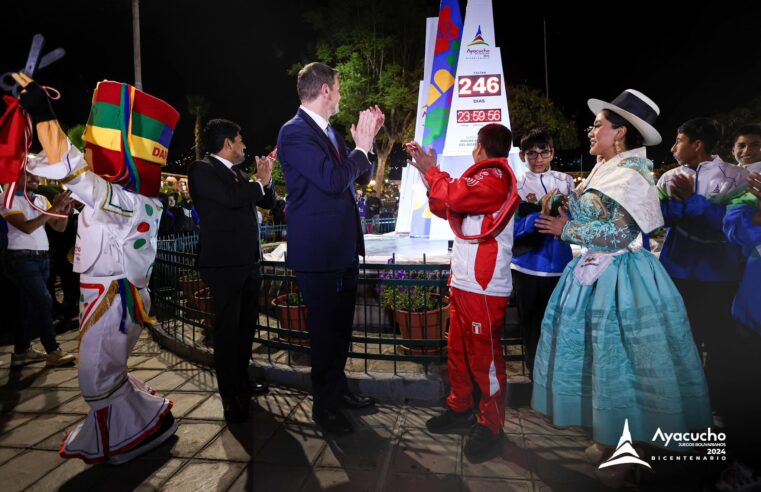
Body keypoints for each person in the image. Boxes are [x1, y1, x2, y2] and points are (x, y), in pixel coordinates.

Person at [530, 89, 711, 484]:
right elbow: (594, 212)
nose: (590, 130)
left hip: (622, 280)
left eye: (598, 125)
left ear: (621, 133)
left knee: (623, 367)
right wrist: (563, 203)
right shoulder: (605, 168)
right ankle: (609, 439)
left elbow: (619, 232)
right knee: (601, 365)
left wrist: (567, 228)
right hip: (594, 275)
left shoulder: (630, 175)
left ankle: (627, 453)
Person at [12, 73, 180, 464]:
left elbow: (75, 174)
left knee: (95, 380)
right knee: (103, 376)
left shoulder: (134, 201)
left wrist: (45, 117)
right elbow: (53, 169)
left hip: (115, 302)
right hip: (104, 299)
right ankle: (139, 427)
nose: (89, 152)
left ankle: (132, 437)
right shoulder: (119, 195)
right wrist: (25, 131)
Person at [277, 62, 384, 435]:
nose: (339, 94)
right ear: (324, 90)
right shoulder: (293, 133)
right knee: (324, 335)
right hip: (319, 254)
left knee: (339, 332)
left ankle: (338, 393)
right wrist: (362, 146)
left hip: (341, 250)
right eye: (337, 87)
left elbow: (362, 176)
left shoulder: (331, 133)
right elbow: (333, 180)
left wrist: (364, 148)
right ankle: (324, 408)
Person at [406, 123, 520, 463]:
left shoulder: (496, 176)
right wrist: (431, 176)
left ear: (481, 147)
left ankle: (491, 425)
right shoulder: (478, 179)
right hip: (465, 282)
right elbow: (445, 205)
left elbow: (453, 196)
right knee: (457, 351)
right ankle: (460, 407)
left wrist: (434, 171)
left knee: (485, 361)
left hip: (484, 287)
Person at [657, 118, 748, 411]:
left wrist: (693, 202)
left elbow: (730, 224)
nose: (673, 148)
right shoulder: (667, 178)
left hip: (718, 276)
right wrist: (674, 204)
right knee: (682, 340)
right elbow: (659, 219)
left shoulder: (737, 177)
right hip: (676, 271)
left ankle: (719, 404)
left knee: (719, 342)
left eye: (679, 140)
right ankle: (687, 403)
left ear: (697, 145)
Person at [189, 118, 275, 423]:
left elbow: (268, 201)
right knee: (226, 335)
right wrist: (258, 183)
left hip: (249, 264)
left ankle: (242, 382)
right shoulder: (203, 170)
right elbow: (231, 199)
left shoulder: (238, 174)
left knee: (245, 329)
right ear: (227, 144)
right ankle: (230, 397)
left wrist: (268, 180)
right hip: (224, 266)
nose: (244, 146)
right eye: (240, 140)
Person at [510, 128, 574, 380]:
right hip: (526, 265)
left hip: (559, 263)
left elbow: (577, 219)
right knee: (530, 323)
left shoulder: (566, 181)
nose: (538, 159)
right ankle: (535, 373)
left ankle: (557, 374)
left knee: (558, 322)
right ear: (523, 155)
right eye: (531, 153)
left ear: (552, 152)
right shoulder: (515, 185)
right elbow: (509, 228)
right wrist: (537, 215)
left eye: (543, 152)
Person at [0, 170, 76, 367]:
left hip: (42, 257)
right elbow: (26, 227)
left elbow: (59, 227)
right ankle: (52, 349)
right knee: (44, 301)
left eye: (36, 175)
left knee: (27, 304)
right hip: (20, 258)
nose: (35, 179)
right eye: (28, 175)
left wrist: (64, 211)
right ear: (14, 176)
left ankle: (22, 351)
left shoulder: (41, 199)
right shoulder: (7, 199)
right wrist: (53, 209)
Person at [717, 173, 761, 487]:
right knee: (744, 402)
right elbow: (736, 231)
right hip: (750, 319)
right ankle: (743, 466)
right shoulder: (745, 194)